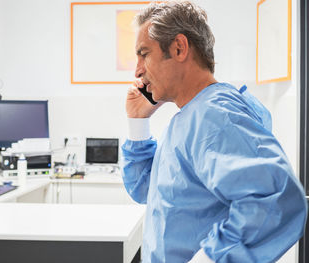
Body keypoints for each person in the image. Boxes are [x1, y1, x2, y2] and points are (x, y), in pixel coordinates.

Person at [121, 1, 308, 262]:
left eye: (144, 54)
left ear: (178, 48)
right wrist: (137, 122)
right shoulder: (190, 116)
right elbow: (147, 189)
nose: (138, 70)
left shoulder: (214, 116)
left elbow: (275, 202)